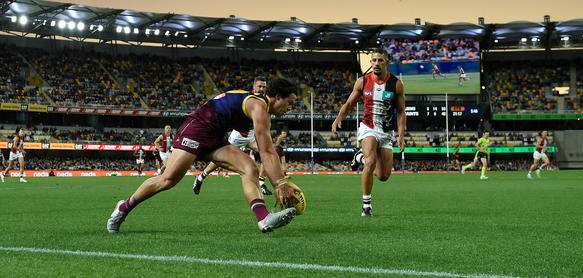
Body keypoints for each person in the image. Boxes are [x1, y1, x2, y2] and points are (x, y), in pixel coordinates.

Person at [107, 78, 300, 234]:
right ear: (276, 97)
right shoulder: (259, 108)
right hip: (196, 129)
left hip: (214, 136)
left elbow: (264, 149)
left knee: (249, 167)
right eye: (289, 102)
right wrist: (280, 183)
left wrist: (279, 181)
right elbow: (266, 150)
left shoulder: (258, 105)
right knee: (167, 180)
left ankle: (263, 218)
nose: (290, 108)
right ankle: (124, 207)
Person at [332, 48, 406, 217]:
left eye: (380, 60)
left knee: (383, 175)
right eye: (373, 60)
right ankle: (366, 206)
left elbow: (401, 111)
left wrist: (401, 135)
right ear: (370, 63)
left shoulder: (396, 84)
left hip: (386, 131)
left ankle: (358, 157)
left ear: (387, 62)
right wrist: (338, 118)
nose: (376, 63)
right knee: (371, 161)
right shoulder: (362, 81)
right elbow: (350, 103)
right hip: (368, 127)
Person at [193, 77, 271, 195]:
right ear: (253, 87)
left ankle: (261, 182)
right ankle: (201, 177)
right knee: (219, 161)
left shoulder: (265, 101)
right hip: (238, 136)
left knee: (268, 152)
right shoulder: (247, 98)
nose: (261, 89)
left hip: (251, 136)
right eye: (259, 86)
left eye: (264, 87)